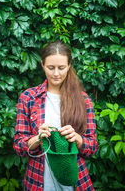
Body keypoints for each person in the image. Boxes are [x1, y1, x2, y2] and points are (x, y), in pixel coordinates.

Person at [13, 41, 98, 191]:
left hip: (76, 184)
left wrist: (77, 139)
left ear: (69, 65)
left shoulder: (83, 100)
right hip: (38, 182)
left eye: (61, 67)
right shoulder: (28, 98)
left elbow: (92, 148)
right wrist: (37, 139)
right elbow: (19, 147)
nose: (56, 73)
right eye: (51, 68)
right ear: (42, 65)